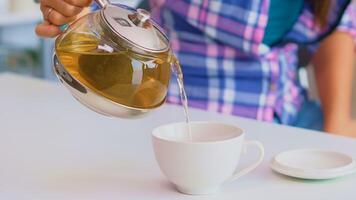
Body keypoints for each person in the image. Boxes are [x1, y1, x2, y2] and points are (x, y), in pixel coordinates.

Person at [35, 0, 356, 138]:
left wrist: (337, 120)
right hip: (178, 114)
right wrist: (73, 10)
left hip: (288, 112)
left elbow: (335, 29)